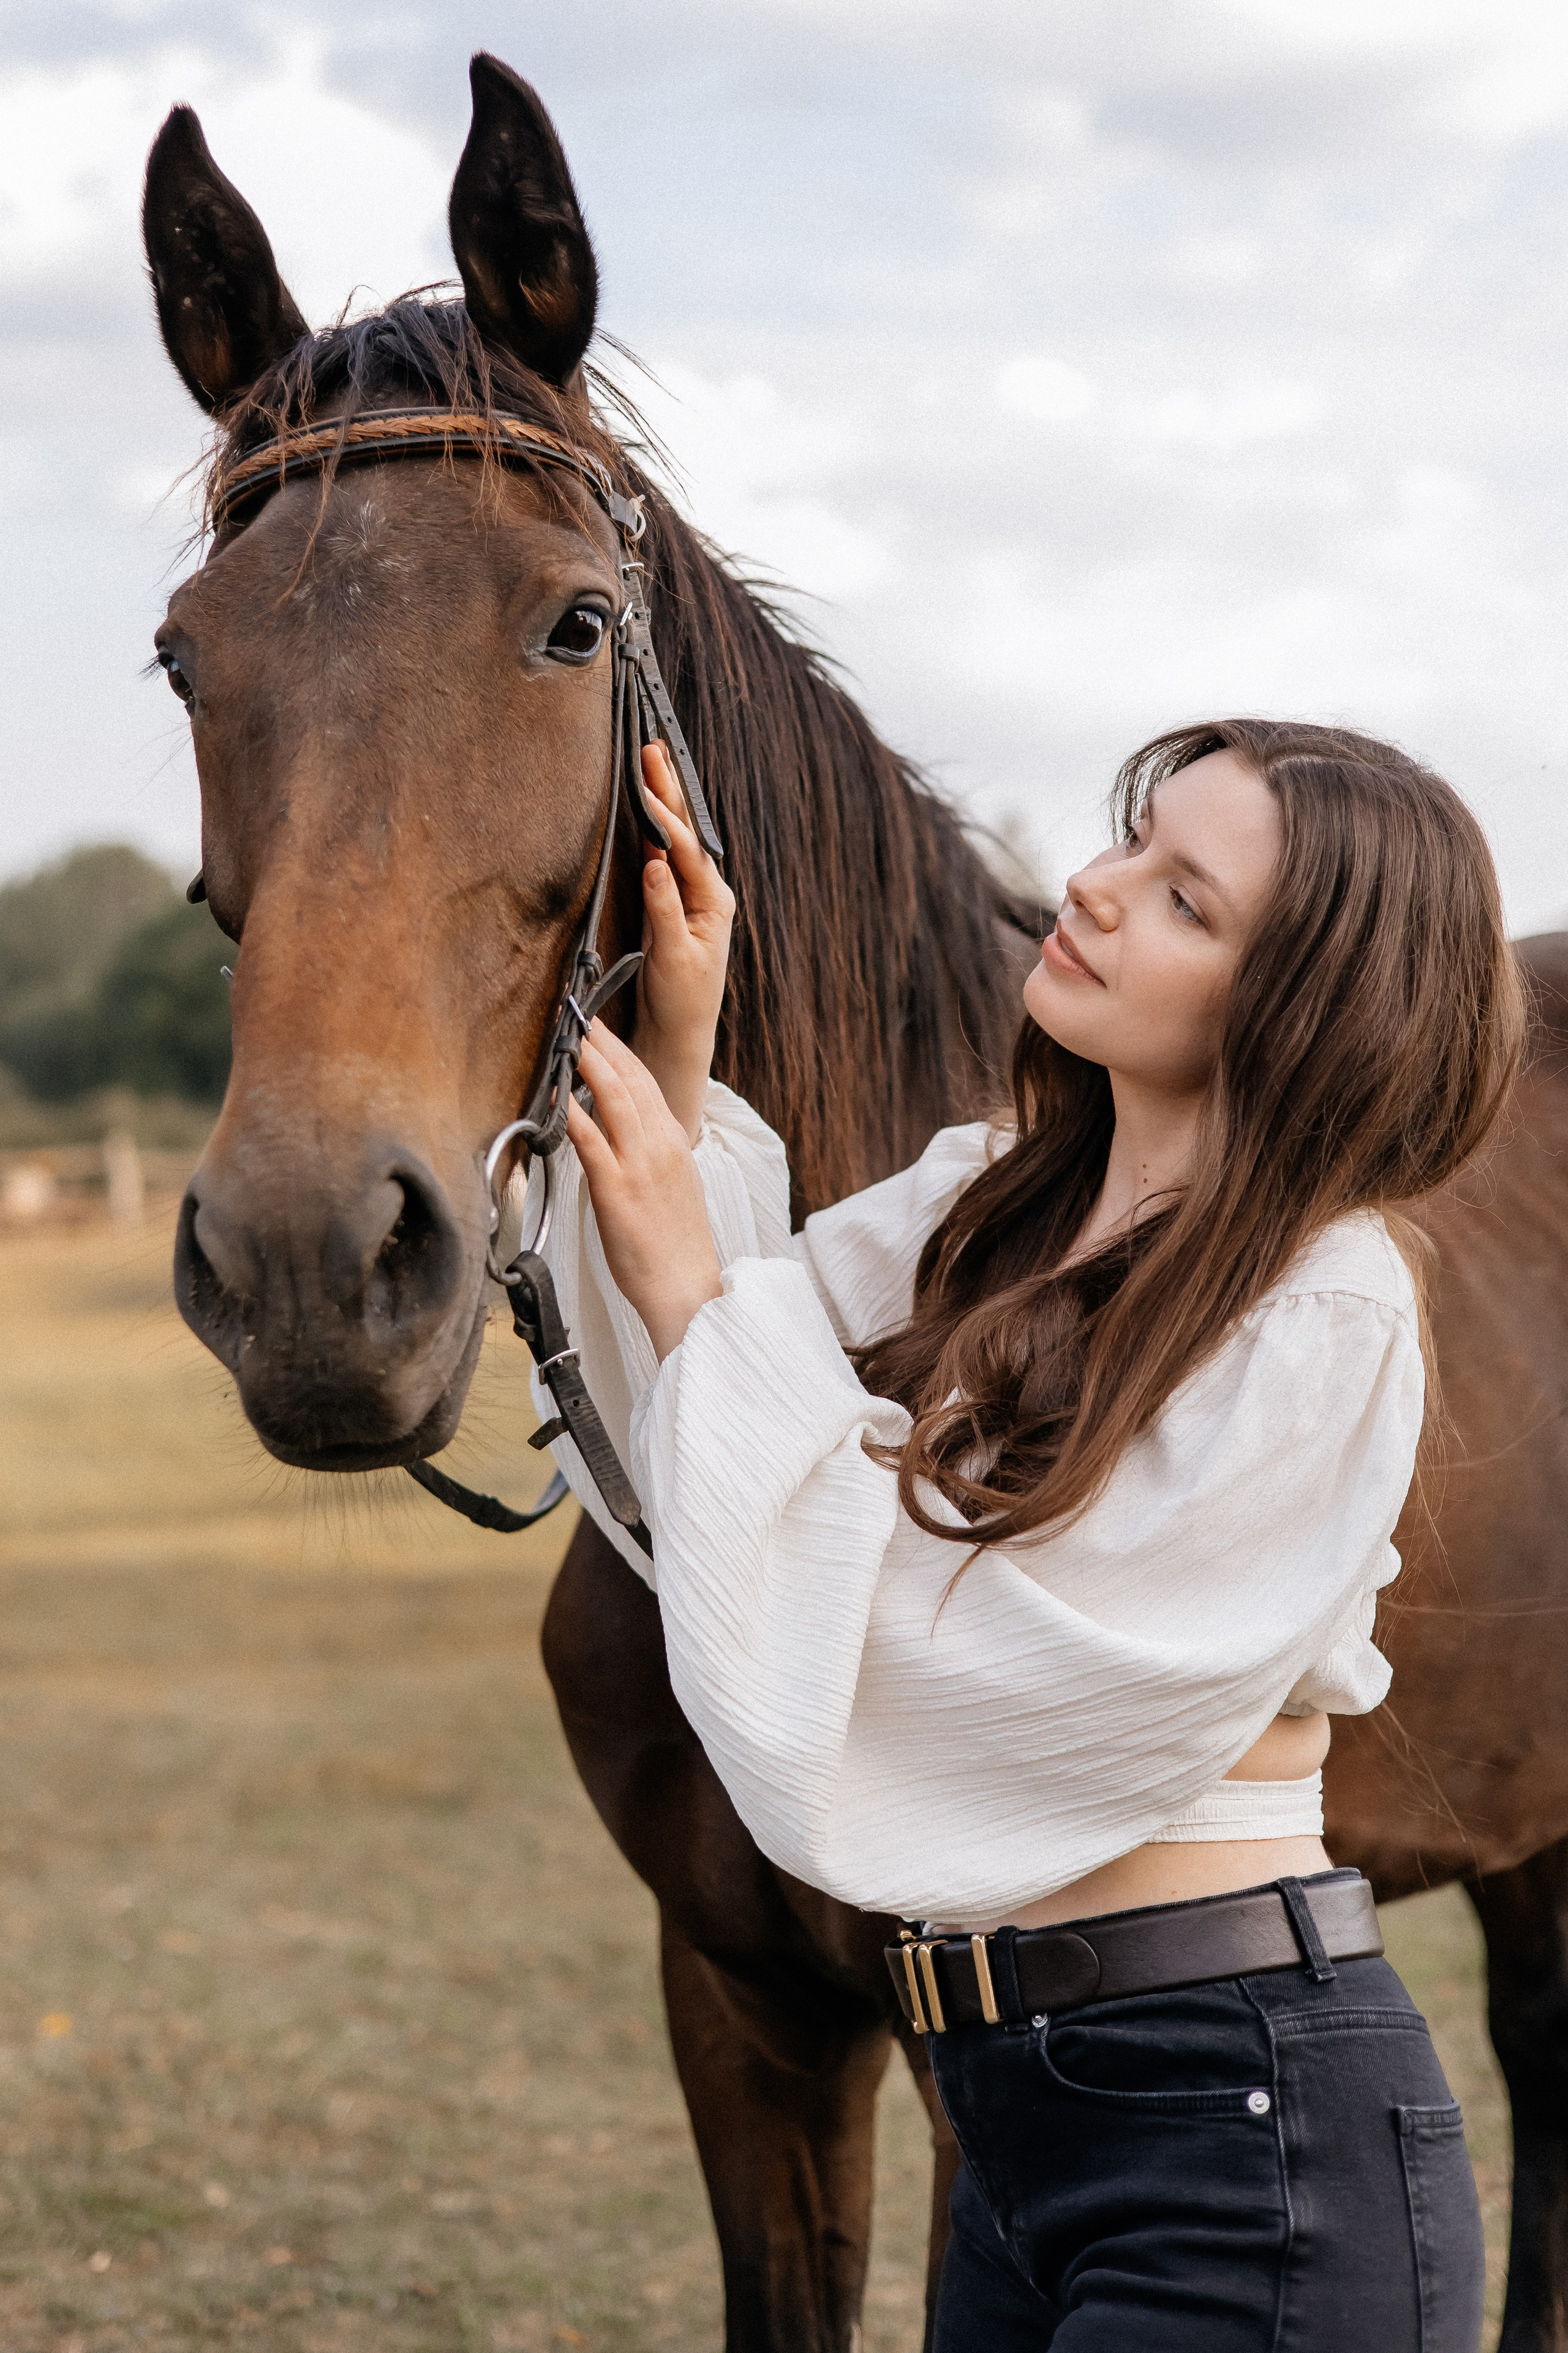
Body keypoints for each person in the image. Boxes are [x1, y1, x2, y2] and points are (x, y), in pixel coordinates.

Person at [525, 718, 1523, 2349]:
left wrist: (699, 1291)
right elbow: (706, 1434)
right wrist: (682, 1065)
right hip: (1009, 2123)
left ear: (1301, 1013)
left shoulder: (1326, 1307)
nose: (1095, 885)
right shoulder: (989, 1197)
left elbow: (1011, 1667)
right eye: (1134, 839)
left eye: (1186, 901)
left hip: (1242, 2133)